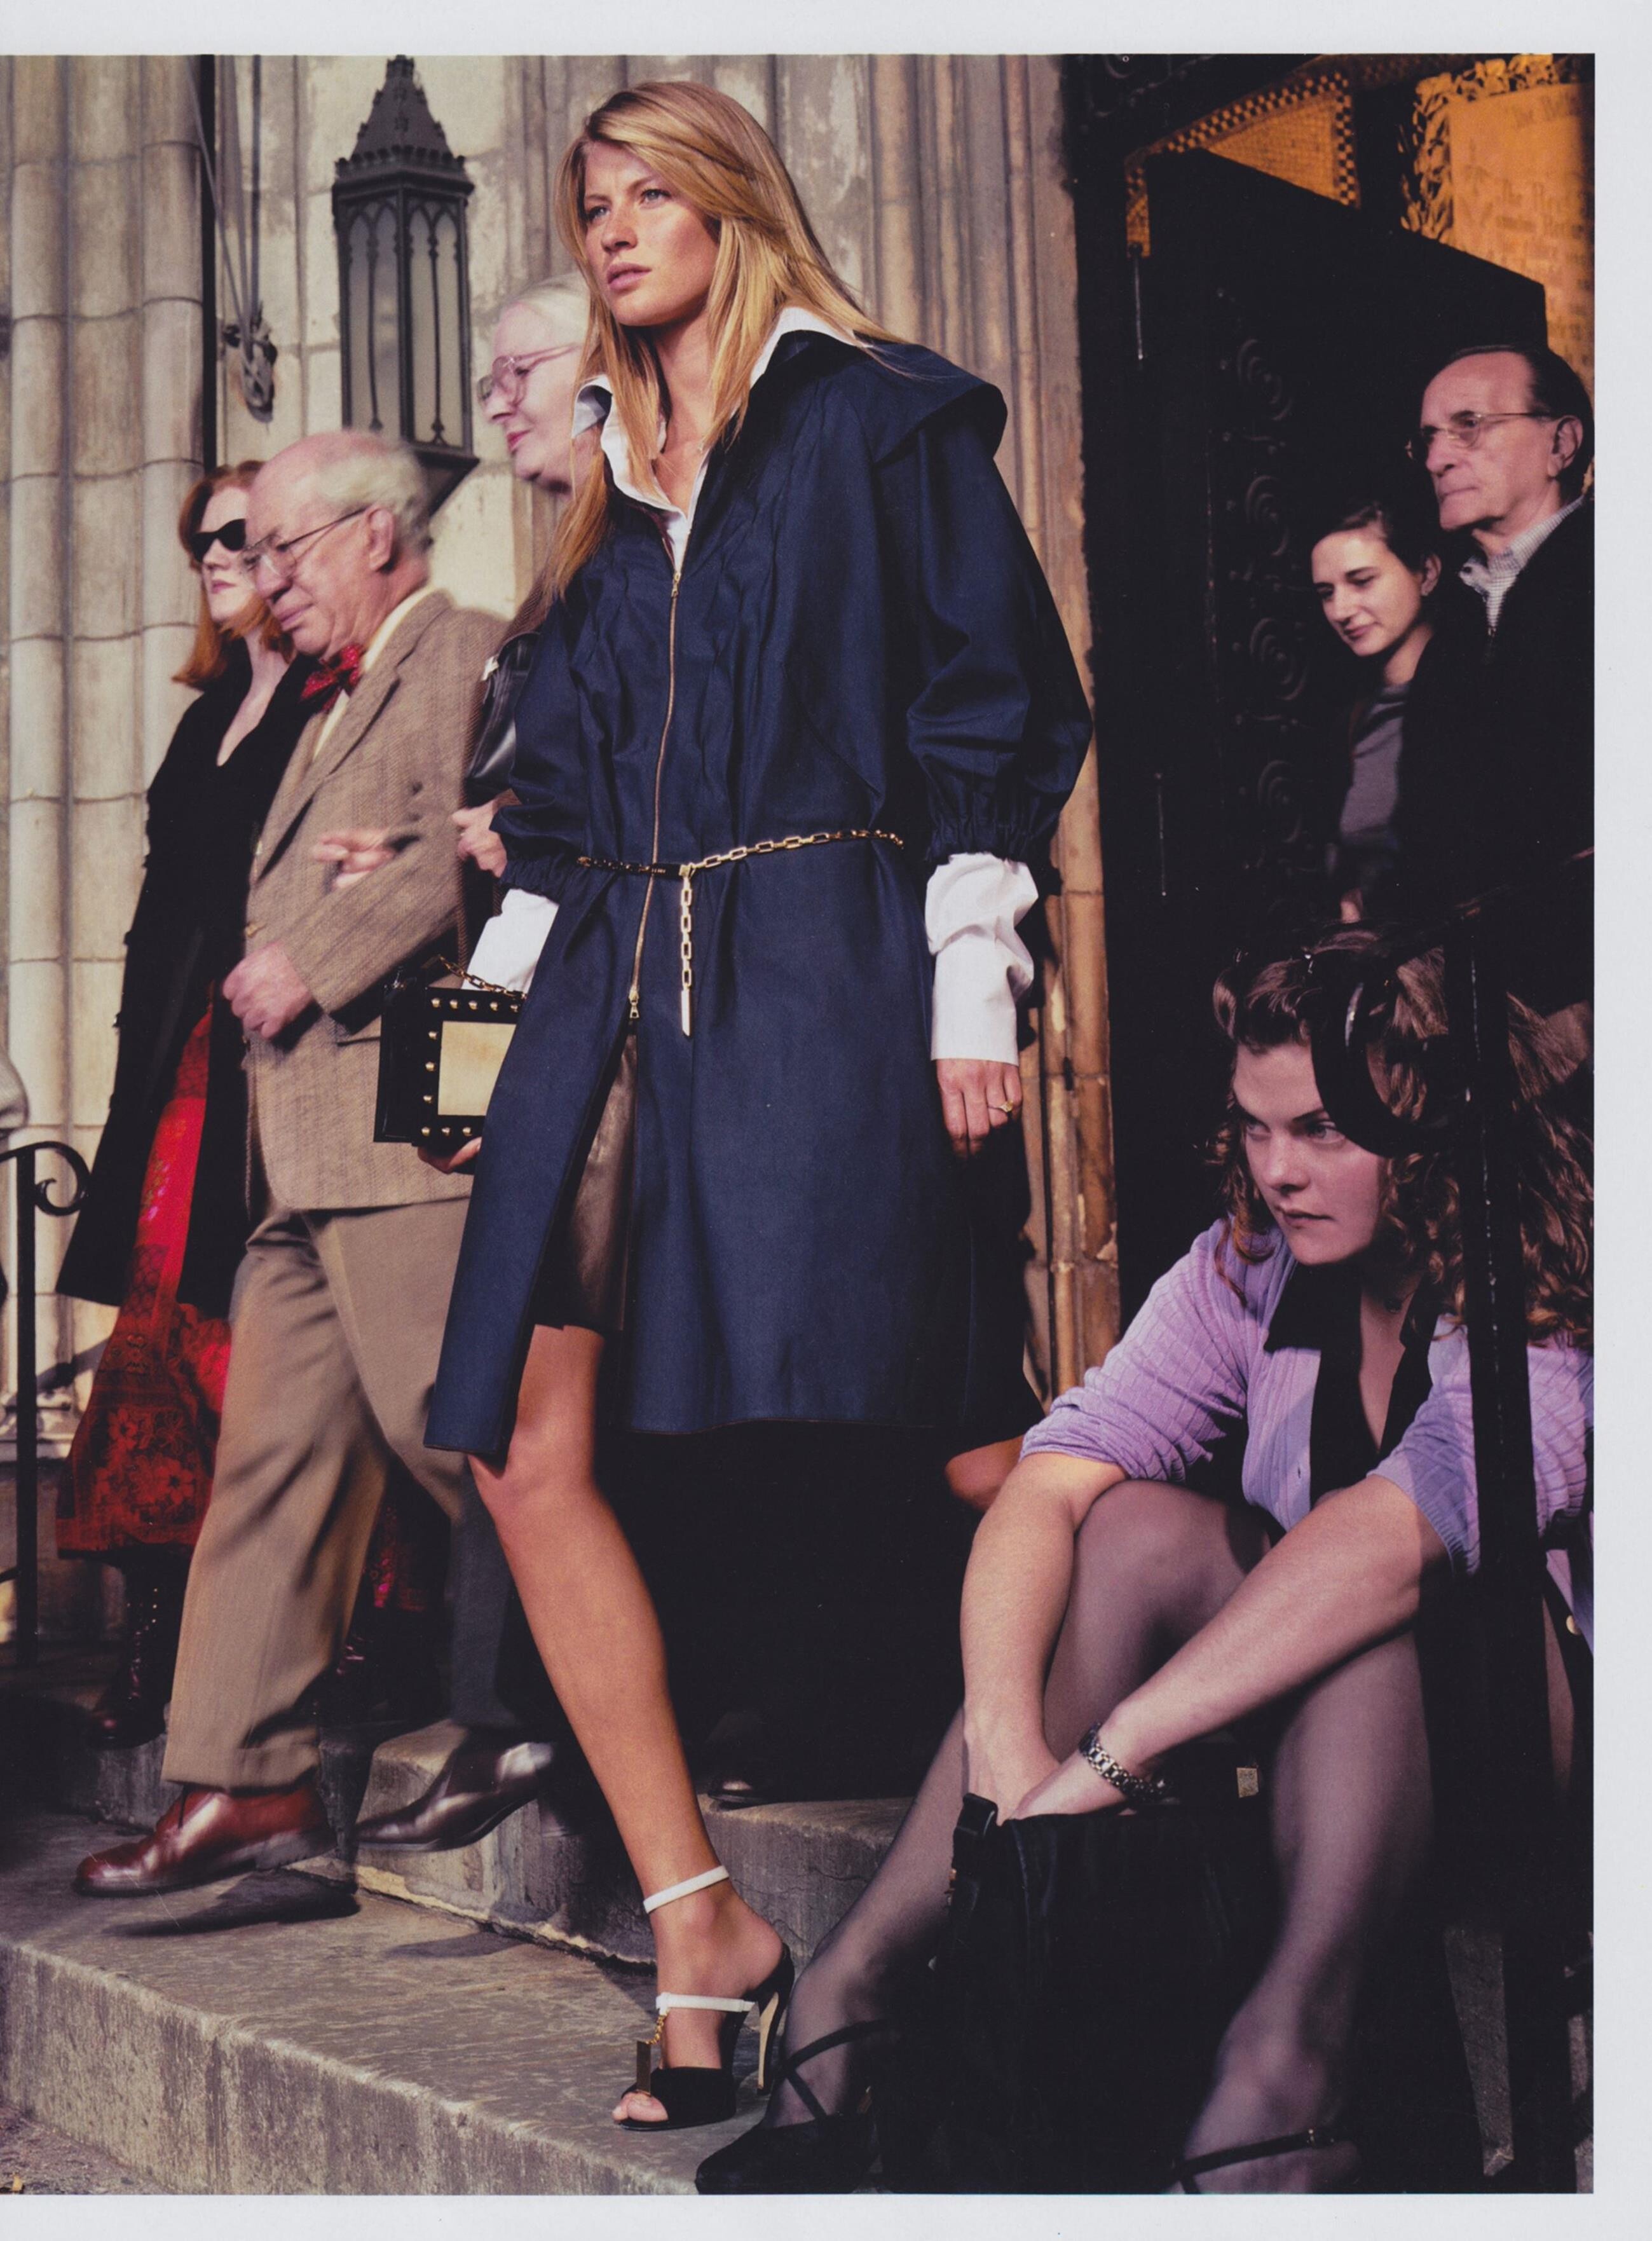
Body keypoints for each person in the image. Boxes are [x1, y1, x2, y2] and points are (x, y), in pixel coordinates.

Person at [421, 80, 1090, 2129]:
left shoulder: (876, 415)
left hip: (819, 960)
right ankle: (693, 1915)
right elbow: (545, 823)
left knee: (945, 1407)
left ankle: (1155, 1728)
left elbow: (991, 693)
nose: (614, 229)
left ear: (730, 205)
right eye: (590, 204)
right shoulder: (601, 492)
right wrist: (473, 1057)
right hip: (602, 997)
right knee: (516, 1445)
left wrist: (968, 970)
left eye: (649, 194)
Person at [699, 924, 1591, 2193]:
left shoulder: (1546, 1292)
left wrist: (1112, 1755)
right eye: (1255, 1128)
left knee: (1364, 1593)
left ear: (1429, 1119)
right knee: (1122, 1527)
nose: (1277, 1171)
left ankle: (1285, 2076)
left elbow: (1397, 1536)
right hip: (1333, 1736)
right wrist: (1006, 1748)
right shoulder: (1251, 1266)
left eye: (1321, 1130)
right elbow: (1047, 1481)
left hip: (1537, 1728)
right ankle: (865, 1979)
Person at [71, 430, 503, 1895]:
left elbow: (473, 846)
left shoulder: (458, 652)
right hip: (293, 1145)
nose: (269, 577)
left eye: (290, 547)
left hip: (394, 1139)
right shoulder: (317, 696)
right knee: (268, 1468)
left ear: (379, 534)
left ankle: (642, 1673)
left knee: (470, 1451)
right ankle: (243, 1782)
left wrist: (318, 953)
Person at [343, 275, 595, 1854]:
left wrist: (505, 828)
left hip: (600, 1008)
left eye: (521, 371)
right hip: (517, 988)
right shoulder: (551, 580)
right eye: (490, 376)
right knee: (502, 1378)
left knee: (533, 1379)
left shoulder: (620, 562)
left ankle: (536, 1716)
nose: (496, 398)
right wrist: (450, 840)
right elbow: (517, 834)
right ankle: (506, 1713)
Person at [53, 465, 315, 1746]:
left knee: (264, 1351)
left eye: (236, 535)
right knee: (153, 1348)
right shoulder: (206, 714)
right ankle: (155, 1641)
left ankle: (319, 1643)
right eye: (199, 539)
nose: (212, 555)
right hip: (176, 1069)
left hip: (274, 1067)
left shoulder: (327, 702)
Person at [1400, 343, 1593, 1015]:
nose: (1436, 458)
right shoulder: (1454, 623)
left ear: (1559, 444)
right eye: (1428, 438)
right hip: (1472, 1002)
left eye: (1469, 426)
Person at [1307, 490, 1443, 921]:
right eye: (1326, 592)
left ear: (1426, 573)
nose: (1340, 610)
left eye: (1361, 581)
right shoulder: (1352, 724)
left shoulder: (1471, 699)